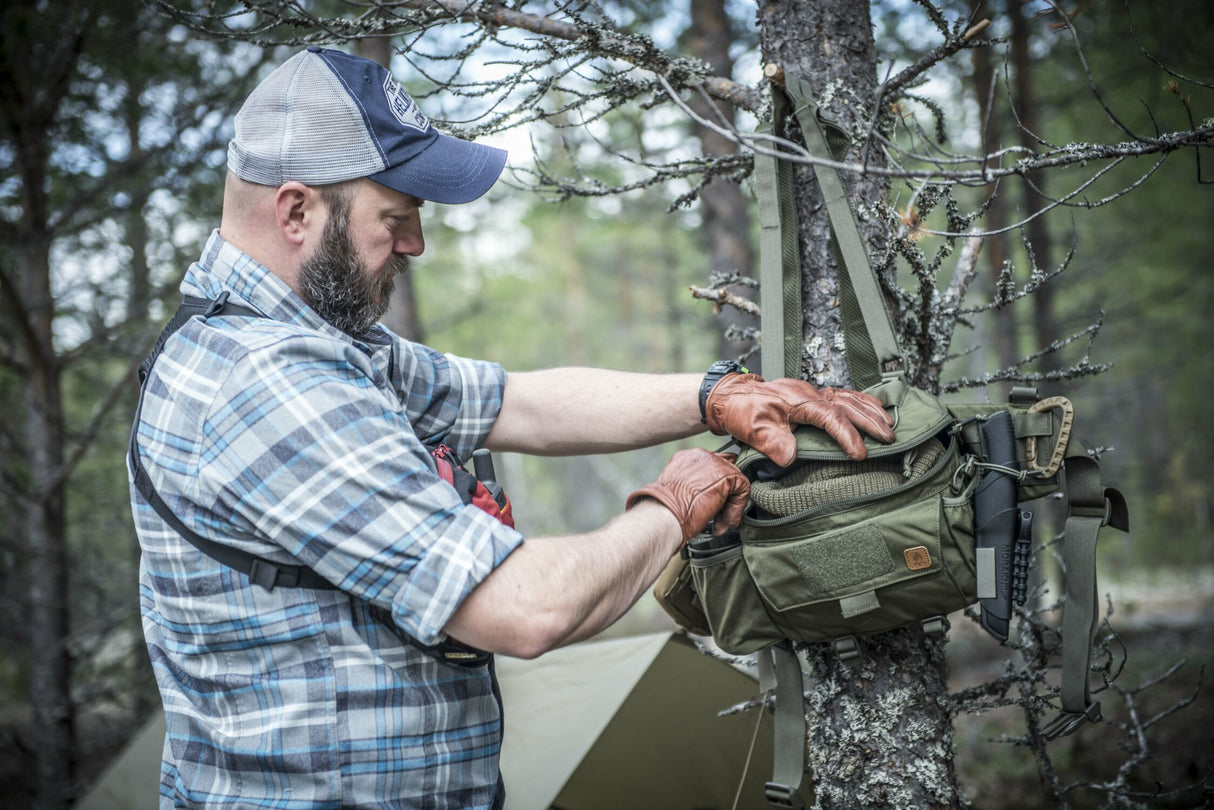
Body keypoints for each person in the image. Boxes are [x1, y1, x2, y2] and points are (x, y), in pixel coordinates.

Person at [128, 46, 895, 809]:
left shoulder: (306, 338)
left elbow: (513, 401)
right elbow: (523, 607)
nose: (415, 245)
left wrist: (720, 395)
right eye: (393, 217)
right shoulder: (267, 384)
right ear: (296, 211)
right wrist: (675, 504)